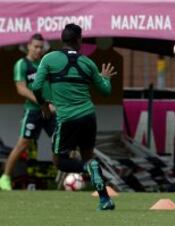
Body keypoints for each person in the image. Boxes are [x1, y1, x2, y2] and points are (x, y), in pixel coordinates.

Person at [32, 23, 117, 211]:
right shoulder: (88, 63)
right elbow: (105, 91)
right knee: (88, 157)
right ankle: (104, 200)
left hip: (67, 119)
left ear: (62, 39)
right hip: (88, 117)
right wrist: (106, 78)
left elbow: (36, 87)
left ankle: (89, 169)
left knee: (59, 161)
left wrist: (44, 104)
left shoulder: (49, 59)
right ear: (79, 40)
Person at [0, 33, 55, 191]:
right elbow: (21, 89)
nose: (38, 50)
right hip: (33, 112)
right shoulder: (22, 64)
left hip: (49, 112)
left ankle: (65, 178)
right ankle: (5, 177)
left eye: (41, 47)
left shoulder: (44, 64)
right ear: (29, 46)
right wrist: (42, 103)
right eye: (36, 47)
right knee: (23, 144)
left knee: (60, 143)